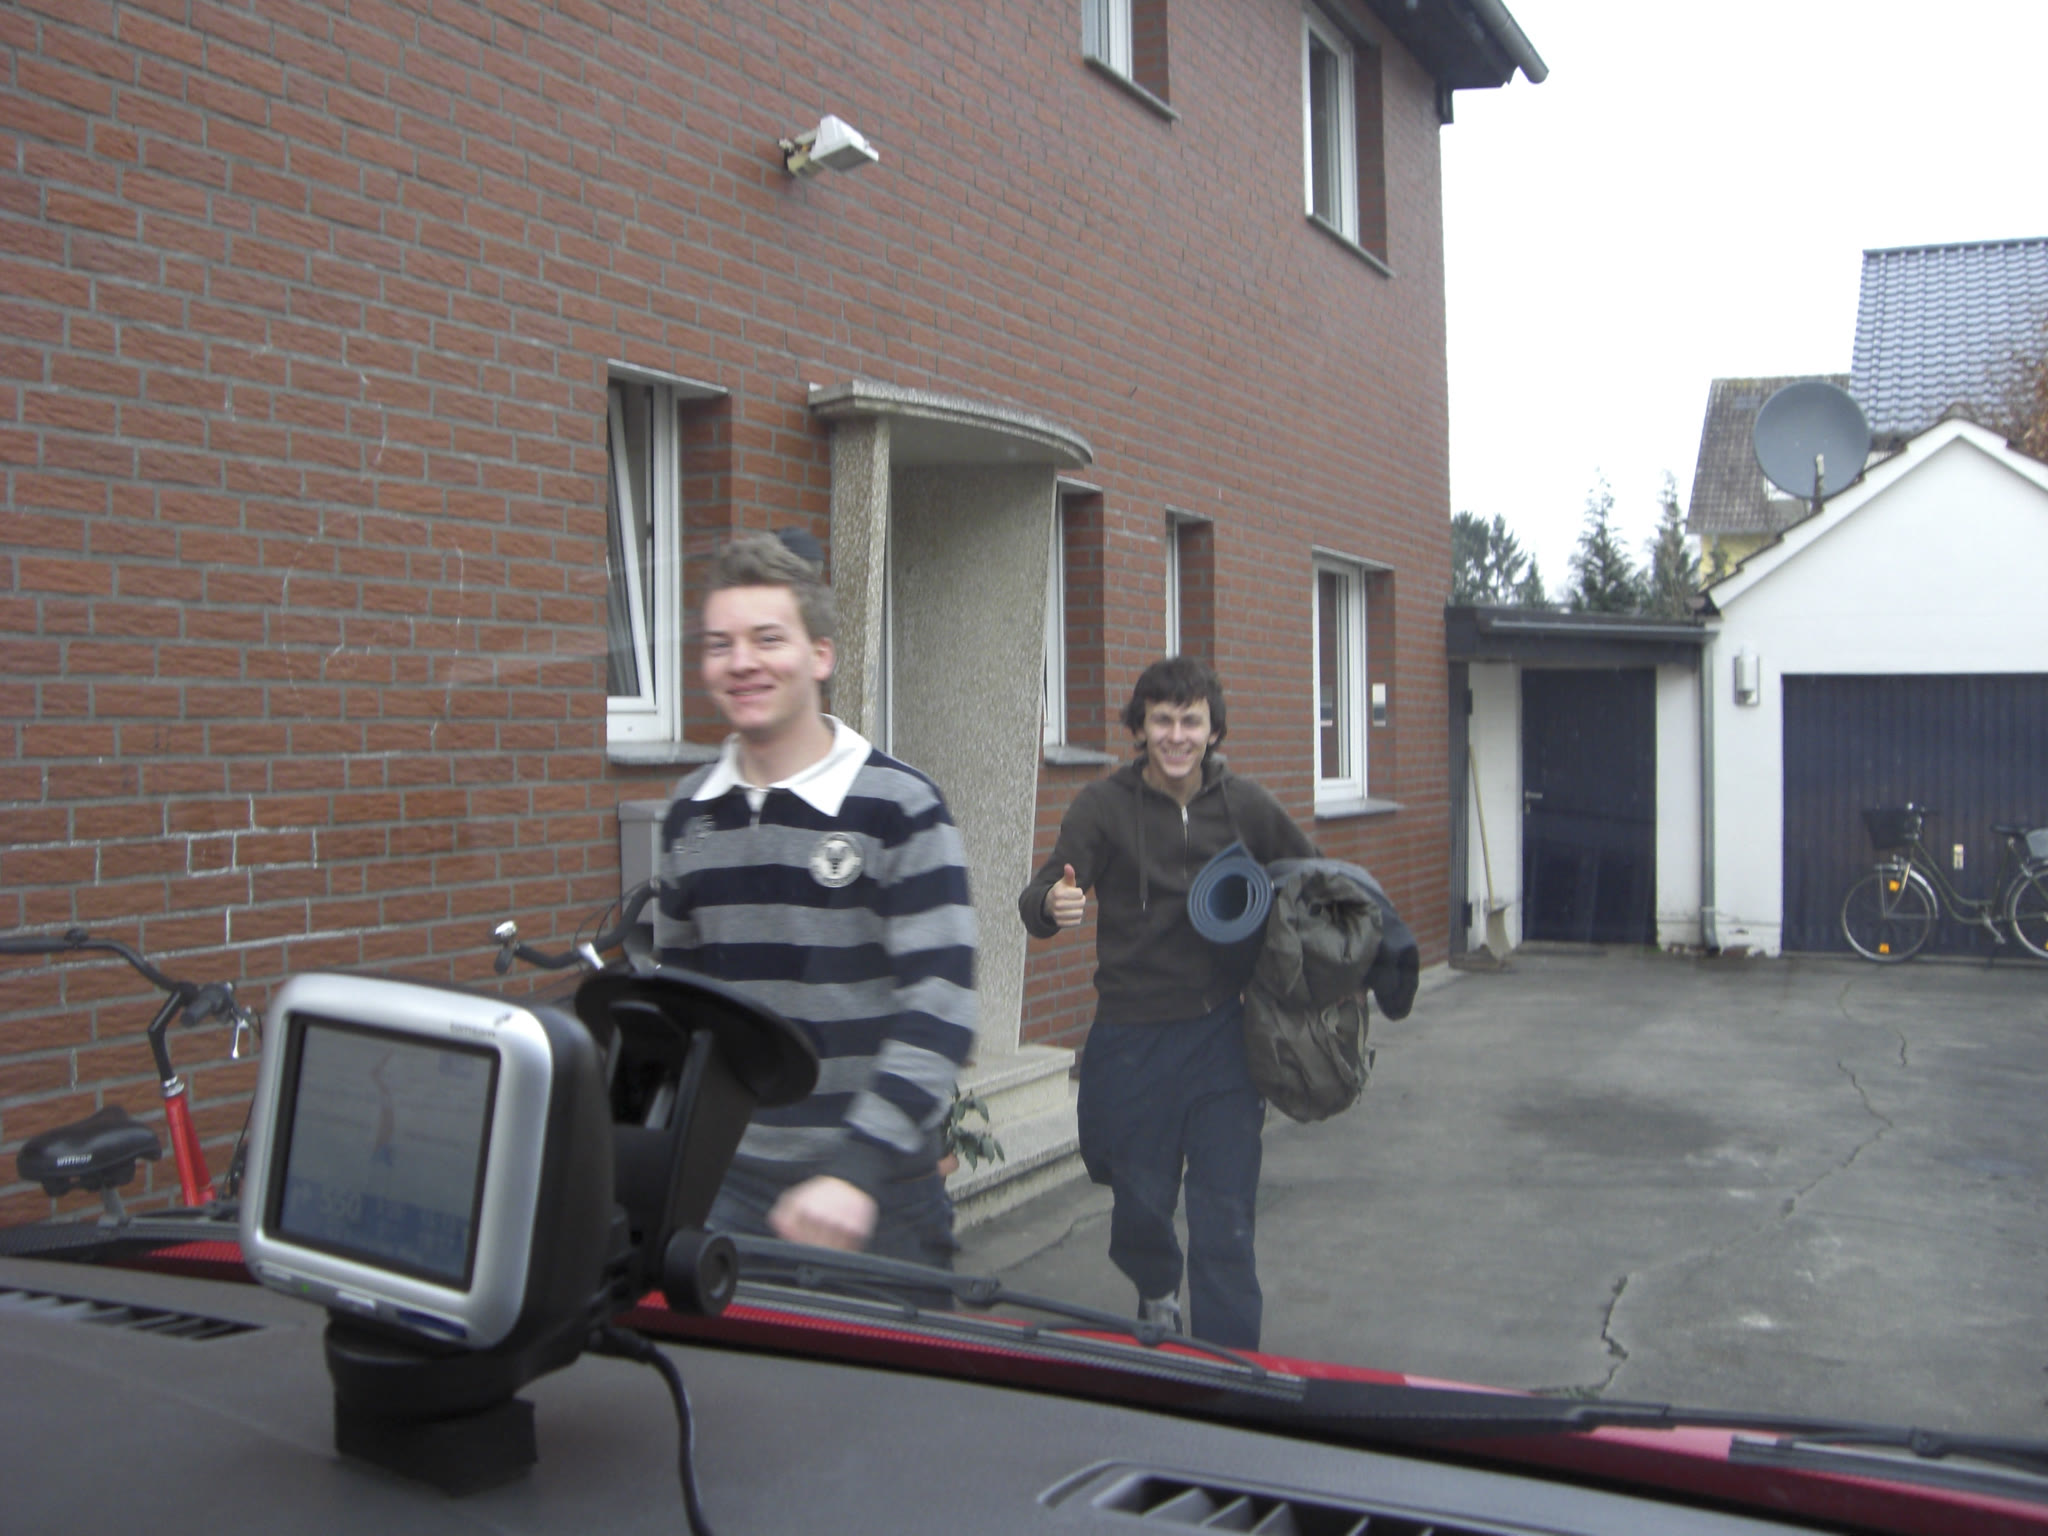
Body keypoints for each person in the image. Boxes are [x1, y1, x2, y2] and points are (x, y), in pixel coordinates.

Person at [654, 532, 977, 1268]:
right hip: (731, 1186)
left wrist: (855, 1171)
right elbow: (685, 1004)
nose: (742, 662)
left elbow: (941, 1003)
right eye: (720, 644)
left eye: (768, 638)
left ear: (821, 655)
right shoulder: (688, 813)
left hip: (879, 1192)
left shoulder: (899, 805)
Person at [1018, 656, 1314, 1350]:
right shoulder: (1103, 807)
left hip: (1221, 1037)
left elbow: (1313, 875)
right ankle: (1155, 1286)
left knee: (1224, 1218)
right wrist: (1052, 903)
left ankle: (1229, 1369)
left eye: (1191, 721)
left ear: (1213, 730)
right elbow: (1041, 891)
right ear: (1140, 726)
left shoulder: (1246, 806)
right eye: (1162, 720)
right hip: (1132, 1039)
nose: (1177, 736)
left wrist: (1359, 948)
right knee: (1140, 1207)